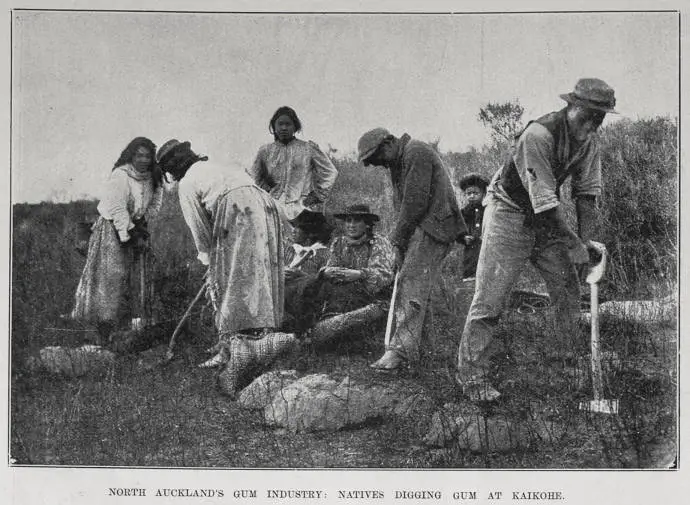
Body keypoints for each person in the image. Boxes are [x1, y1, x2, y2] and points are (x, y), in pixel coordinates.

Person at [456, 78, 617, 402]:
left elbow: (586, 196)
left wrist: (585, 244)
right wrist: (572, 243)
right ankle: (472, 377)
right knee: (490, 298)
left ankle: (564, 362)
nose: (592, 123)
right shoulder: (538, 135)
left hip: (545, 219)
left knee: (567, 289)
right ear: (571, 107)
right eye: (588, 114)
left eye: (599, 117)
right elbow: (544, 203)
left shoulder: (589, 141)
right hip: (510, 213)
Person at [156, 139, 284, 368]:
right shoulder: (218, 165)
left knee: (231, 282)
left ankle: (233, 349)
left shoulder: (186, 183)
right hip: (264, 205)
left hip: (237, 209)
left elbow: (199, 227)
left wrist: (210, 261)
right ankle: (253, 339)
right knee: (257, 276)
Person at [357, 129, 467, 370]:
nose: (380, 166)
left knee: (411, 282)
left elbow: (414, 203)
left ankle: (401, 351)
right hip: (423, 228)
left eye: (378, 159)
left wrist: (397, 240)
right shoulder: (401, 159)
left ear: (388, 143)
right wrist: (402, 241)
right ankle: (423, 350)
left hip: (432, 227)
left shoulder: (415, 151)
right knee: (418, 287)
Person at [70, 137, 163, 341]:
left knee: (137, 278)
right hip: (112, 230)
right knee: (110, 280)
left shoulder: (154, 177)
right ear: (131, 155)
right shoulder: (120, 175)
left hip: (137, 229)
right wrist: (128, 233)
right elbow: (117, 207)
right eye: (139, 155)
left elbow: (155, 203)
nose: (143, 160)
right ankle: (102, 333)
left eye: (147, 156)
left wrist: (142, 225)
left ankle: (129, 331)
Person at [247, 106, 338, 222]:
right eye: (280, 124)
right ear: (274, 126)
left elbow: (330, 172)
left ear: (295, 126)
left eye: (288, 124)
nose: (284, 128)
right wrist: (266, 193)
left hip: (301, 207)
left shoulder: (307, 149)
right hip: (273, 207)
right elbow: (254, 177)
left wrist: (317, 195)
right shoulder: (265, 151)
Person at [320, 204, 395, 317]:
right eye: (348, 221)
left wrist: (360, 274)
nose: (351, 225)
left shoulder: (378, 242)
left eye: (357, 221)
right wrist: (328, 272)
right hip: (341, 294)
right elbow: (331, 266)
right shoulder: (338, 243)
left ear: (367, 224)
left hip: (370, 298)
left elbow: (384, 276)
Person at [283, 210, 334, 332]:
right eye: (293, 227)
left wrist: (302, 276)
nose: (293, 231)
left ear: (310, 233)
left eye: (298, 228)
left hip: (307, 305)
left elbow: (324, 284)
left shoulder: (325, 254)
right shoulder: (289, 251)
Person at [459, 173, 490, 280]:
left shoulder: (488, 208)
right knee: (471, 267)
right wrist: (463, 238)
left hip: (488, 244)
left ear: (483, 193)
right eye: (469, 193)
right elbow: (459, 228)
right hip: (472, 247)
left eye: (475, 193)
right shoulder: (464, 212)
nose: (472, 196)